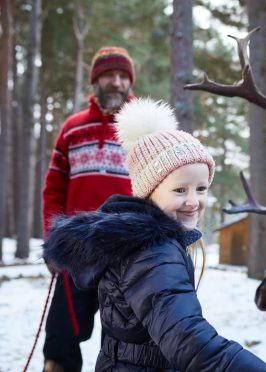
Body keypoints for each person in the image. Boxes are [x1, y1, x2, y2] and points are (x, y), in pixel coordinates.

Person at [43, 98, 266, 371]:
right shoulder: (154, 252)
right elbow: (186, 336)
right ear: (149, 190)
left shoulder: (142, 243)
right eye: (179, 190)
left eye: (201, 188)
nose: (193, 201)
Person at [42, 46, 136, 372]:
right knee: (60, 337)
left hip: (128, 253)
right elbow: (54, 189)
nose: (117, 82)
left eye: (123, 76)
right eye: (109, 75)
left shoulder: (145, 130)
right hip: (76, 250)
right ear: (96, 81)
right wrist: (53, 241)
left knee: (125, 342)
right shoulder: (72, 128)